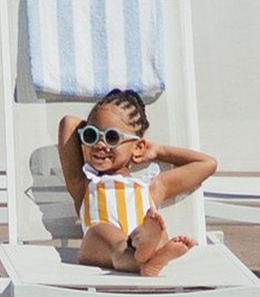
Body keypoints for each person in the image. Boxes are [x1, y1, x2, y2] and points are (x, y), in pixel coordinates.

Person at [58, 88, 216, 276]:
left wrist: (158, 150)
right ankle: (147, 260)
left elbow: (207, 164)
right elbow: (68, 123)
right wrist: (96, 126)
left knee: (155, 230)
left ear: (139, 147)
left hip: (141, 235)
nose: (100, 145)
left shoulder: (151, 187)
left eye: (112, 137)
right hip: (101, 246)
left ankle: (150, 253)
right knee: (107, 237)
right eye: (91, 136)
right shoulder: (83, 183)